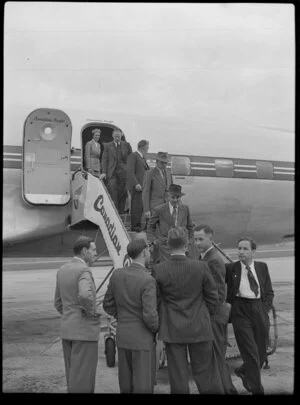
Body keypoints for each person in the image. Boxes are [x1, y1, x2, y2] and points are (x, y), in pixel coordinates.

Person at [152, 227, 224, 394]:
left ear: (168, 246)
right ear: (187, 245)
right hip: (200, 326)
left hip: (172, 328)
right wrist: (205, 315)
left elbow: (156, 300)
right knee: (206, 374)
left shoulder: (159, 269)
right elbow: (213, 298)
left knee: (178, 377)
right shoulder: (201, 266)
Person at [103, 239, 159, 393]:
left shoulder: (117, 275)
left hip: (123, 335)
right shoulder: (148, 280)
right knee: (143, 384)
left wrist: (121, 317)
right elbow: (150, 315)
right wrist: (155, 330)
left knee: (125, 383)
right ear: (144, 252)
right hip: (142, 337)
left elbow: (107, 304)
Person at [225, 237, 274, 395]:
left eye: (245, 249)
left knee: (260, 352)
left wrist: (264, 309)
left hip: (258, 308)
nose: (241, 252)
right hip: (240, 310)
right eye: (239, 248)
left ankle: (242, 371)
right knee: (250, 353)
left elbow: (269, 291)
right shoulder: (230, 268)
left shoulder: (262, 267)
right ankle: (257, 389)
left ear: (253, 251)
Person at [194, 224, 237, 394]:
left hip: (214, 316)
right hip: (212, 315)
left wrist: (206, 314)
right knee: (215, 357)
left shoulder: (213, 259)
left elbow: (219, 293)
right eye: (195, 239)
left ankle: (228, 390)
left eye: (201, 239)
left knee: (217, 357)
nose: (197, 242)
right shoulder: (204, 257)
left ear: (210, 238)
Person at [54, 236, 101, 393]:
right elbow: (85, 295)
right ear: (84, 251)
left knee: (73, 377)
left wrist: (71, 315)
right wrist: (91, 313)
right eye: (93, 250)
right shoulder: (84, 270)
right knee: (83, 380)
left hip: (67, 330)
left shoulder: (62, 270)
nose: (96, 253)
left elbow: (58, 303)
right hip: (84, 333)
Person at [147, 184, 193, 263]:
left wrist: (189, 241)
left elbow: (190, 227)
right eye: (173, 197)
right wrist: (153, 240)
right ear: (168, 197)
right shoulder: (160, 210)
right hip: (165, 248)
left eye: (177, 197)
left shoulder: (185, 209)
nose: (175, 200)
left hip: (182, 248)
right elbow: (151, 226)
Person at [100, 128, 132, 214]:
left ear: (121, 135)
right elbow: (104, 159)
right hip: (112, 173)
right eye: (115, 135)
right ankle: (114, 213)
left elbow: (131, 160)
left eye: (119, 135)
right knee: (113, 192)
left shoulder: (127, 145)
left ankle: (121, 214)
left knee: (122, 194)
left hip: (124, 173)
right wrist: (103, 172)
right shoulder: (107, 146)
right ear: (112, 135)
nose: (117, 137)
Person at [126, 139, 150, 232]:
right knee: (136, 206)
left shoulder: (142, 158)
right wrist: (136, 183)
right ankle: (135, 226)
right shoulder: (133, 156)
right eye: (147, 147)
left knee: (141, 206)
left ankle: (139, 225)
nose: (148, 149)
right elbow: (130, 171)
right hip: (138, 187)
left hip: (143, 187)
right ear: (143, 147)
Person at [142, 151, 172, 221]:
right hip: (154, 208)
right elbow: (146, 192)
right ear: (157, 161)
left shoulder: (168, 174)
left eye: (166, 163)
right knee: (153, 229)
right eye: (162, 162)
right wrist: (146, 210)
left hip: (166, 207)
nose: (164, 165)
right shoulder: (149, 173)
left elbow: (171, 191)